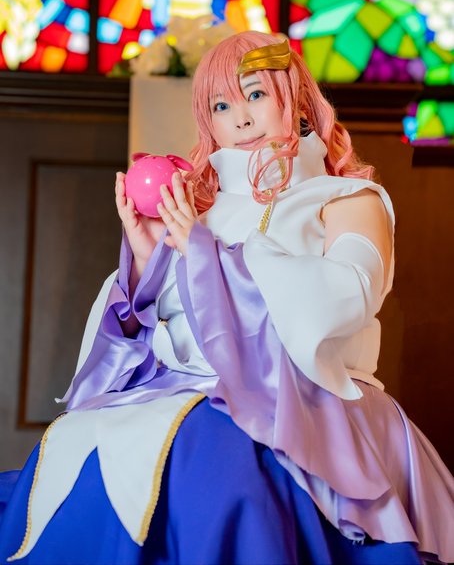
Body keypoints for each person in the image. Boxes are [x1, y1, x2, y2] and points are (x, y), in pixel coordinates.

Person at [0, 31, 453, 565]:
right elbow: (154, 331)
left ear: (297, 101)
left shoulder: (349, 199)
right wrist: (145, 264)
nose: (240, 119)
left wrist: (205, 251)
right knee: (80, 442)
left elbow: (347, 298)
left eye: (255, 94)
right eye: (221, 105)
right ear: (207, 123)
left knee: (219, 461)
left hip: (303, 393)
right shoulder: (199, 211)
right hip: (177, 390)